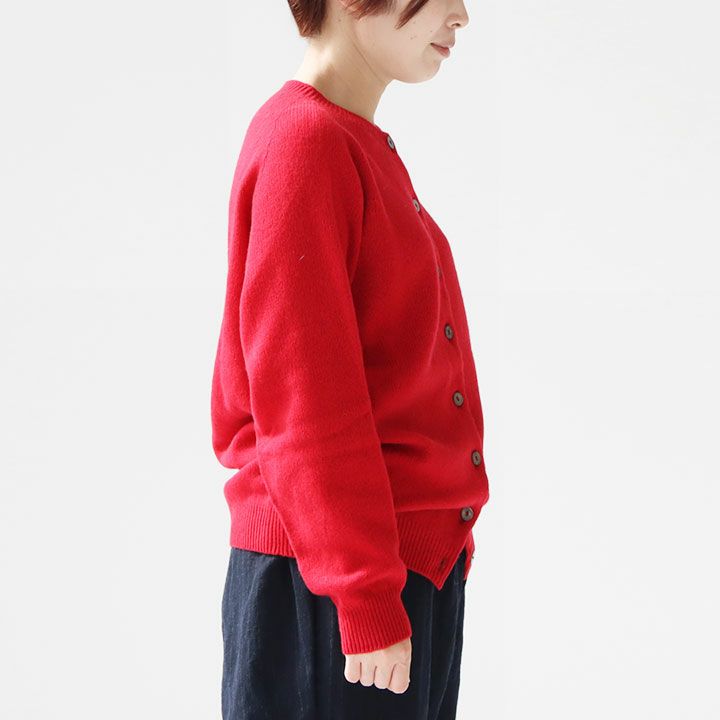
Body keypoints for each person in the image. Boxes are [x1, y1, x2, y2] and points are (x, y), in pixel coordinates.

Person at [210, 0, 489, 717]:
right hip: (333, 583)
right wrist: (363, 594)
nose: (461, 14)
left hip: (388, 574)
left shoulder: (348, 142)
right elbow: (304, 400)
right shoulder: (305, 143)